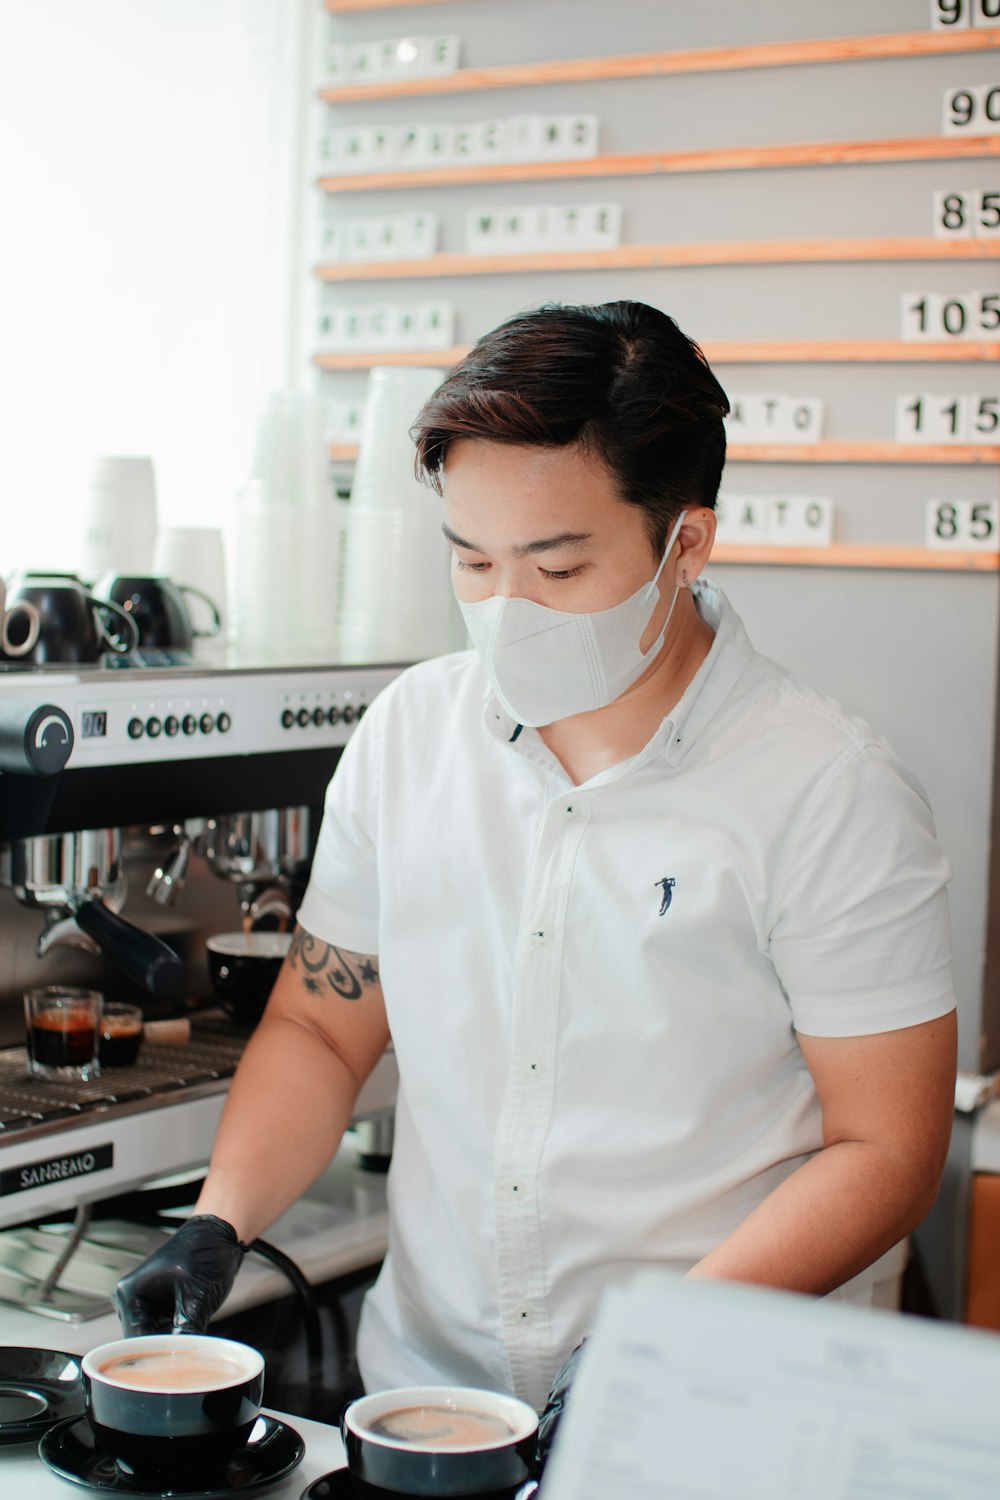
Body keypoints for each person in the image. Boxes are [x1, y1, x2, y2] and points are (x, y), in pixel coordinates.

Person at [116, 301, 957, 1435]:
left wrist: (655, 1346)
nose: (506, 610)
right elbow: (323, 1027)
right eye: (471, 559)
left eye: (557, 568)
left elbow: (887, 1151)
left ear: (685, 544)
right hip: (431, 1397)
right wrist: (221, 1222)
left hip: (714, 1403)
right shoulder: (409, 736)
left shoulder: (826, 788)